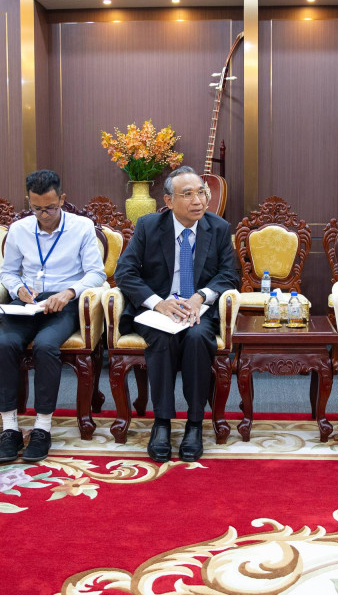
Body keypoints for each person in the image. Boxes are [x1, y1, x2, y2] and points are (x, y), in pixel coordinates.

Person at [114, 166, 239, 463]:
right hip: (159, 310)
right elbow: (125, 272)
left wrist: (200, 297)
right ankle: (162, 422)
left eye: (202, 193)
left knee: (197, 339)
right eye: (188, 194)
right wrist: (158, 303)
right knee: (162, 338)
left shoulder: (219, 228)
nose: (198, 200)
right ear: (169, 201)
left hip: (199, 310)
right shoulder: (148, 226)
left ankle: (194, 424)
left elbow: (229, 274)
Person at [0, 170, 106, 463]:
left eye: (50, 208)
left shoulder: (81, 227)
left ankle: (42, 428)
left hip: (63, 304)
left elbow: (96, 273)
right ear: (28, 201)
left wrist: (69, 292)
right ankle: (10, 429)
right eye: (37, 208)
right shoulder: (19, 229)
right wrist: (18, 288)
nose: (44, 215)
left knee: (45, 346)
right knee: (5, 345)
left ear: (62, 199)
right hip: (27, 303)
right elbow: (7, 272)